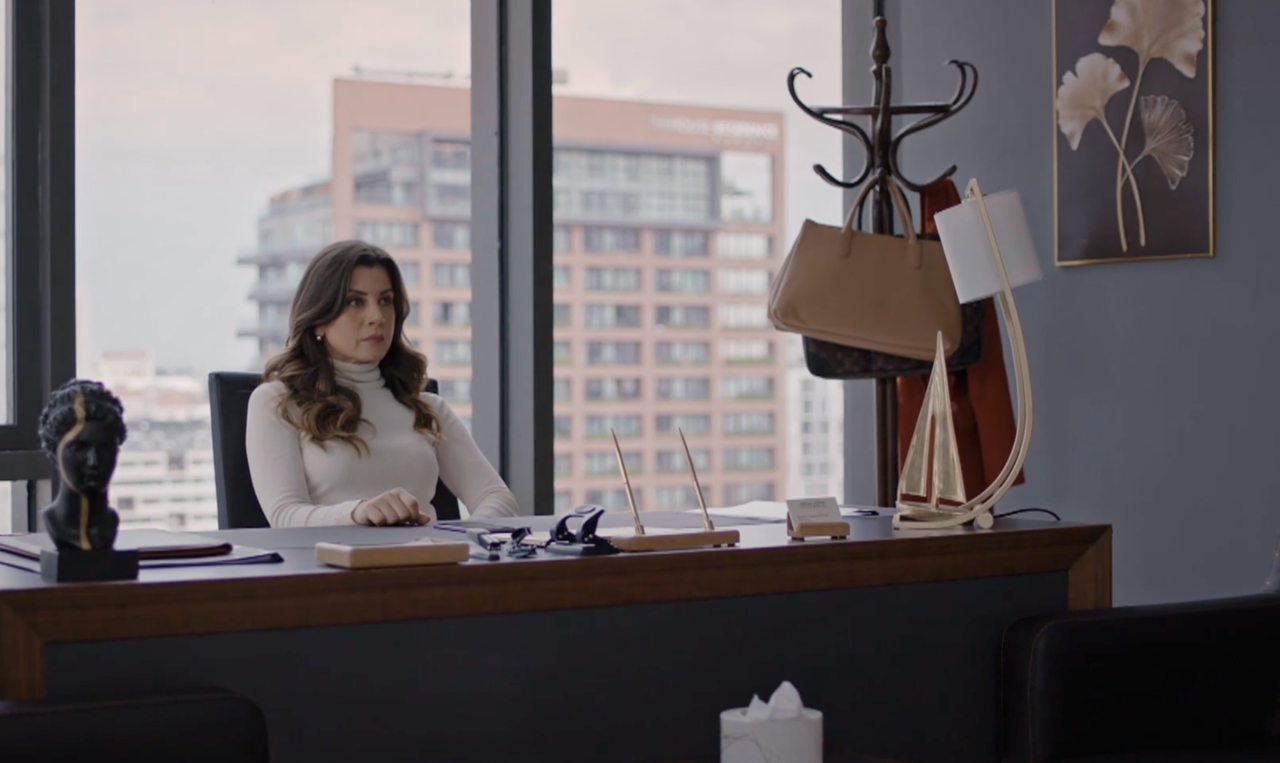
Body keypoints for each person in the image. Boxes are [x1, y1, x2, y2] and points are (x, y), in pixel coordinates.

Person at [246, 240, 518, 526]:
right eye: (355, 301)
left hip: (427, 554)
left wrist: (460, 539)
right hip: (326, 556)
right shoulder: (277, 402)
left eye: (386, 301)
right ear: (319, 320)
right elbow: (285, 516)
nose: (377, 317)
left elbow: (498, 498)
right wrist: (358, 513)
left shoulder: (428, 409)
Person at [37, 379, 128, 551]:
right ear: (55, 453)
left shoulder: (108, 524)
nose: (94, 461)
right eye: (80, 448)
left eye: (105, 448)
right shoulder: (54, 522)